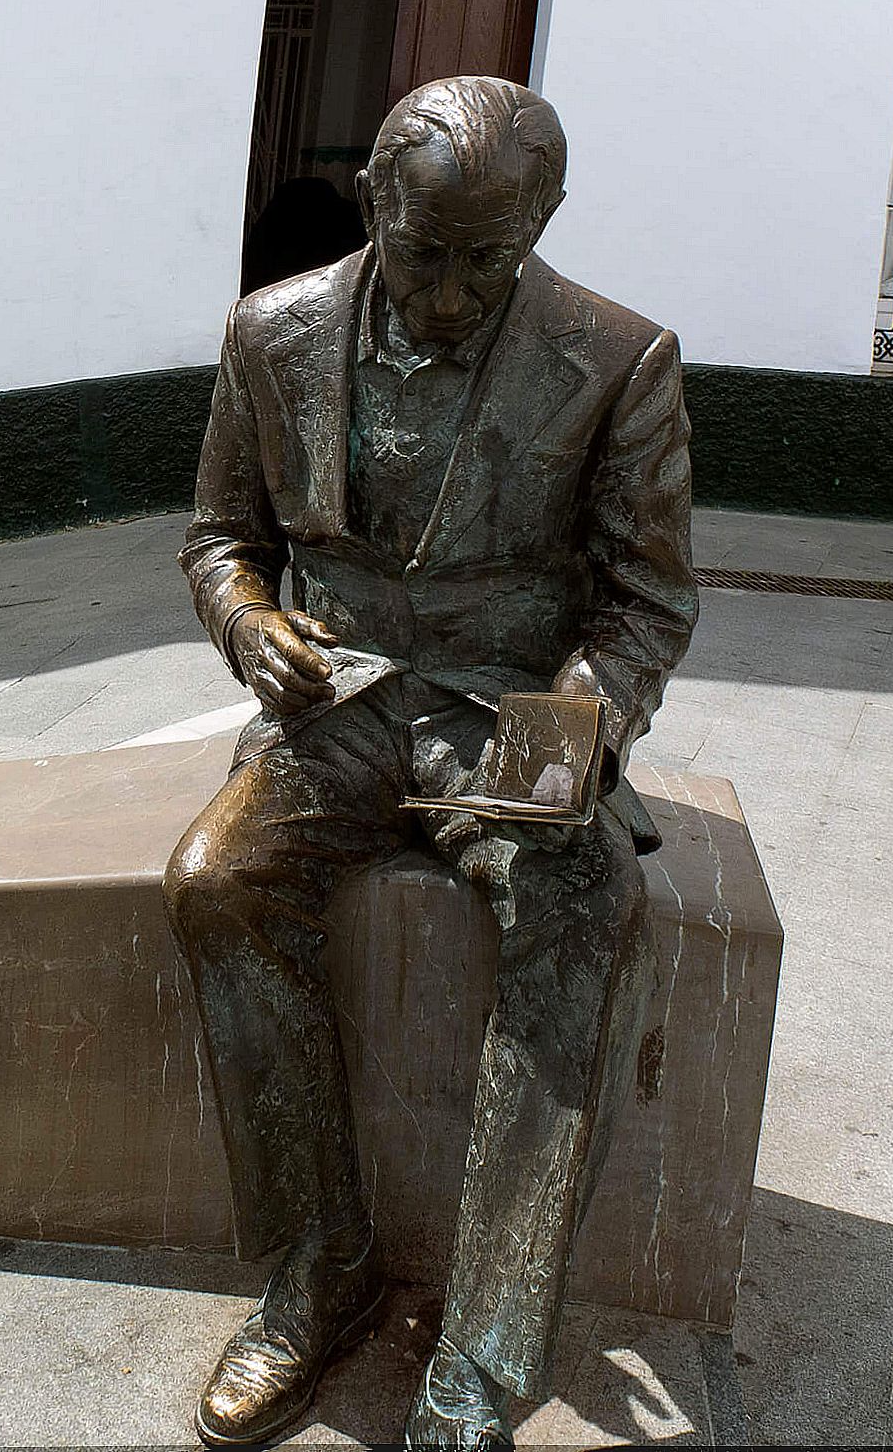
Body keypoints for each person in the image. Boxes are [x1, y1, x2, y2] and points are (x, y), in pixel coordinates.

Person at [164, 77, 697, 1450]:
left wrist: (578, 723)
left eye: (487, 260)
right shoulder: (268, 331)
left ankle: (481, 1341)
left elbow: (643, 603)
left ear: (541, 223)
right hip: (332, 694)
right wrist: (246, 619)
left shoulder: (617, 357)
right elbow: (218, 535)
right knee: (215, 880)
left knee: (576, 903)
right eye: (421, 254)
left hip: (511, 696)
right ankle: (317, 1266)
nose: (450, 294)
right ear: (370, 208)